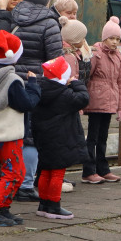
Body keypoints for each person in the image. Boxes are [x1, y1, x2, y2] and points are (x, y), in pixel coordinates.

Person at [0, 30, 41, 226]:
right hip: (8, 131)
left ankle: (3, 206)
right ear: (14, 56)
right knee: (14, 172)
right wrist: (33, 85)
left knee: (15, 170)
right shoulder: (11, 80)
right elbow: (27, 103)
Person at [10, 0, 63, 201]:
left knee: (14, 135)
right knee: (31, 136)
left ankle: (10, 181)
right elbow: (55, 60)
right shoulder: (49, 23)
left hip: (12, 82)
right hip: (36, 84)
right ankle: (26, 185)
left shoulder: (13, 17)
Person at [32, 56, 89, 219]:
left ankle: (43, 204)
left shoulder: (39, 90)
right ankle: (54, 206)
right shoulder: (65, 95)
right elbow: (84, 98)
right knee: (57, 173)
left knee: (45, 171)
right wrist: (76, 82)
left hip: (43, 139)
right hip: (61, 140)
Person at [82, 16, 121, 184]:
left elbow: (120, 82)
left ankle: (102, 169)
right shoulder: (96, 54)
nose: (115, 42)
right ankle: (89, 171)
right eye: (111, 38)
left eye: (117, 39)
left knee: (103, 137)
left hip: (109, 102)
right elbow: (86, 77)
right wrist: (82, 102)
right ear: (104, 38)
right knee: (92, 137)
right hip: (96, 101)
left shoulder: (118, 56)